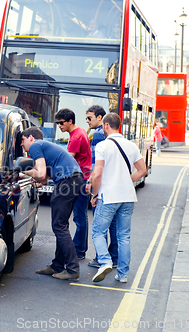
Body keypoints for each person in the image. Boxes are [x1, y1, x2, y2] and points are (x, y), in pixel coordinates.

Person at [89, 113, 147, 283]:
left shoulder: (102, 146)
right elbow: (142, 170)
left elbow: (97, 173)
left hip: (109, 196)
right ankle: (122, 275)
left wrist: (94, 194)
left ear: (106, 125)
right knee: (124, 236)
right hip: (128, 196)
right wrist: (127, 181)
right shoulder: (131, 146)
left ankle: (105, 261)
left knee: (98, 231)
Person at [21, 126, 83, 280]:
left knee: (59, 226)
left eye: (22, 140)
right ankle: (57, 265)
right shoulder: (44, 146)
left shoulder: (35, 146)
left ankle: (73, 269)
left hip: (67, 181)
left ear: (30, 138)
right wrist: (37, 180)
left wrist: (21, 169)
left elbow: (40, 173)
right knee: (61, 225)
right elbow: (44, 177)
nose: (21, 144)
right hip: (73, 180)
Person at [55, 108, 92, 260]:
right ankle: (80, 248)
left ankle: (79, 251)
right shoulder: (79, 132)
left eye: (61, 123)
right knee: (80, 216)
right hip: (83, 177)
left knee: (79, 217)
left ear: (70, 121)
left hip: (81, 180)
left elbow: (67, 161)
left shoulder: (76, 137)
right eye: (57, 123)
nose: (59, 126)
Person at [85, 105, 118, 269]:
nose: (87, 121)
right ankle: (114, 257)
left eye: (89, 118)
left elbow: (95, 164)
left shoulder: (98, 135)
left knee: (100, 224)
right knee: (114, 225)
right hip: (114, 186)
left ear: (100, 118)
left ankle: (101, 258)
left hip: (103, 184)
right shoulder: (106, 135)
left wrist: (91, 183)